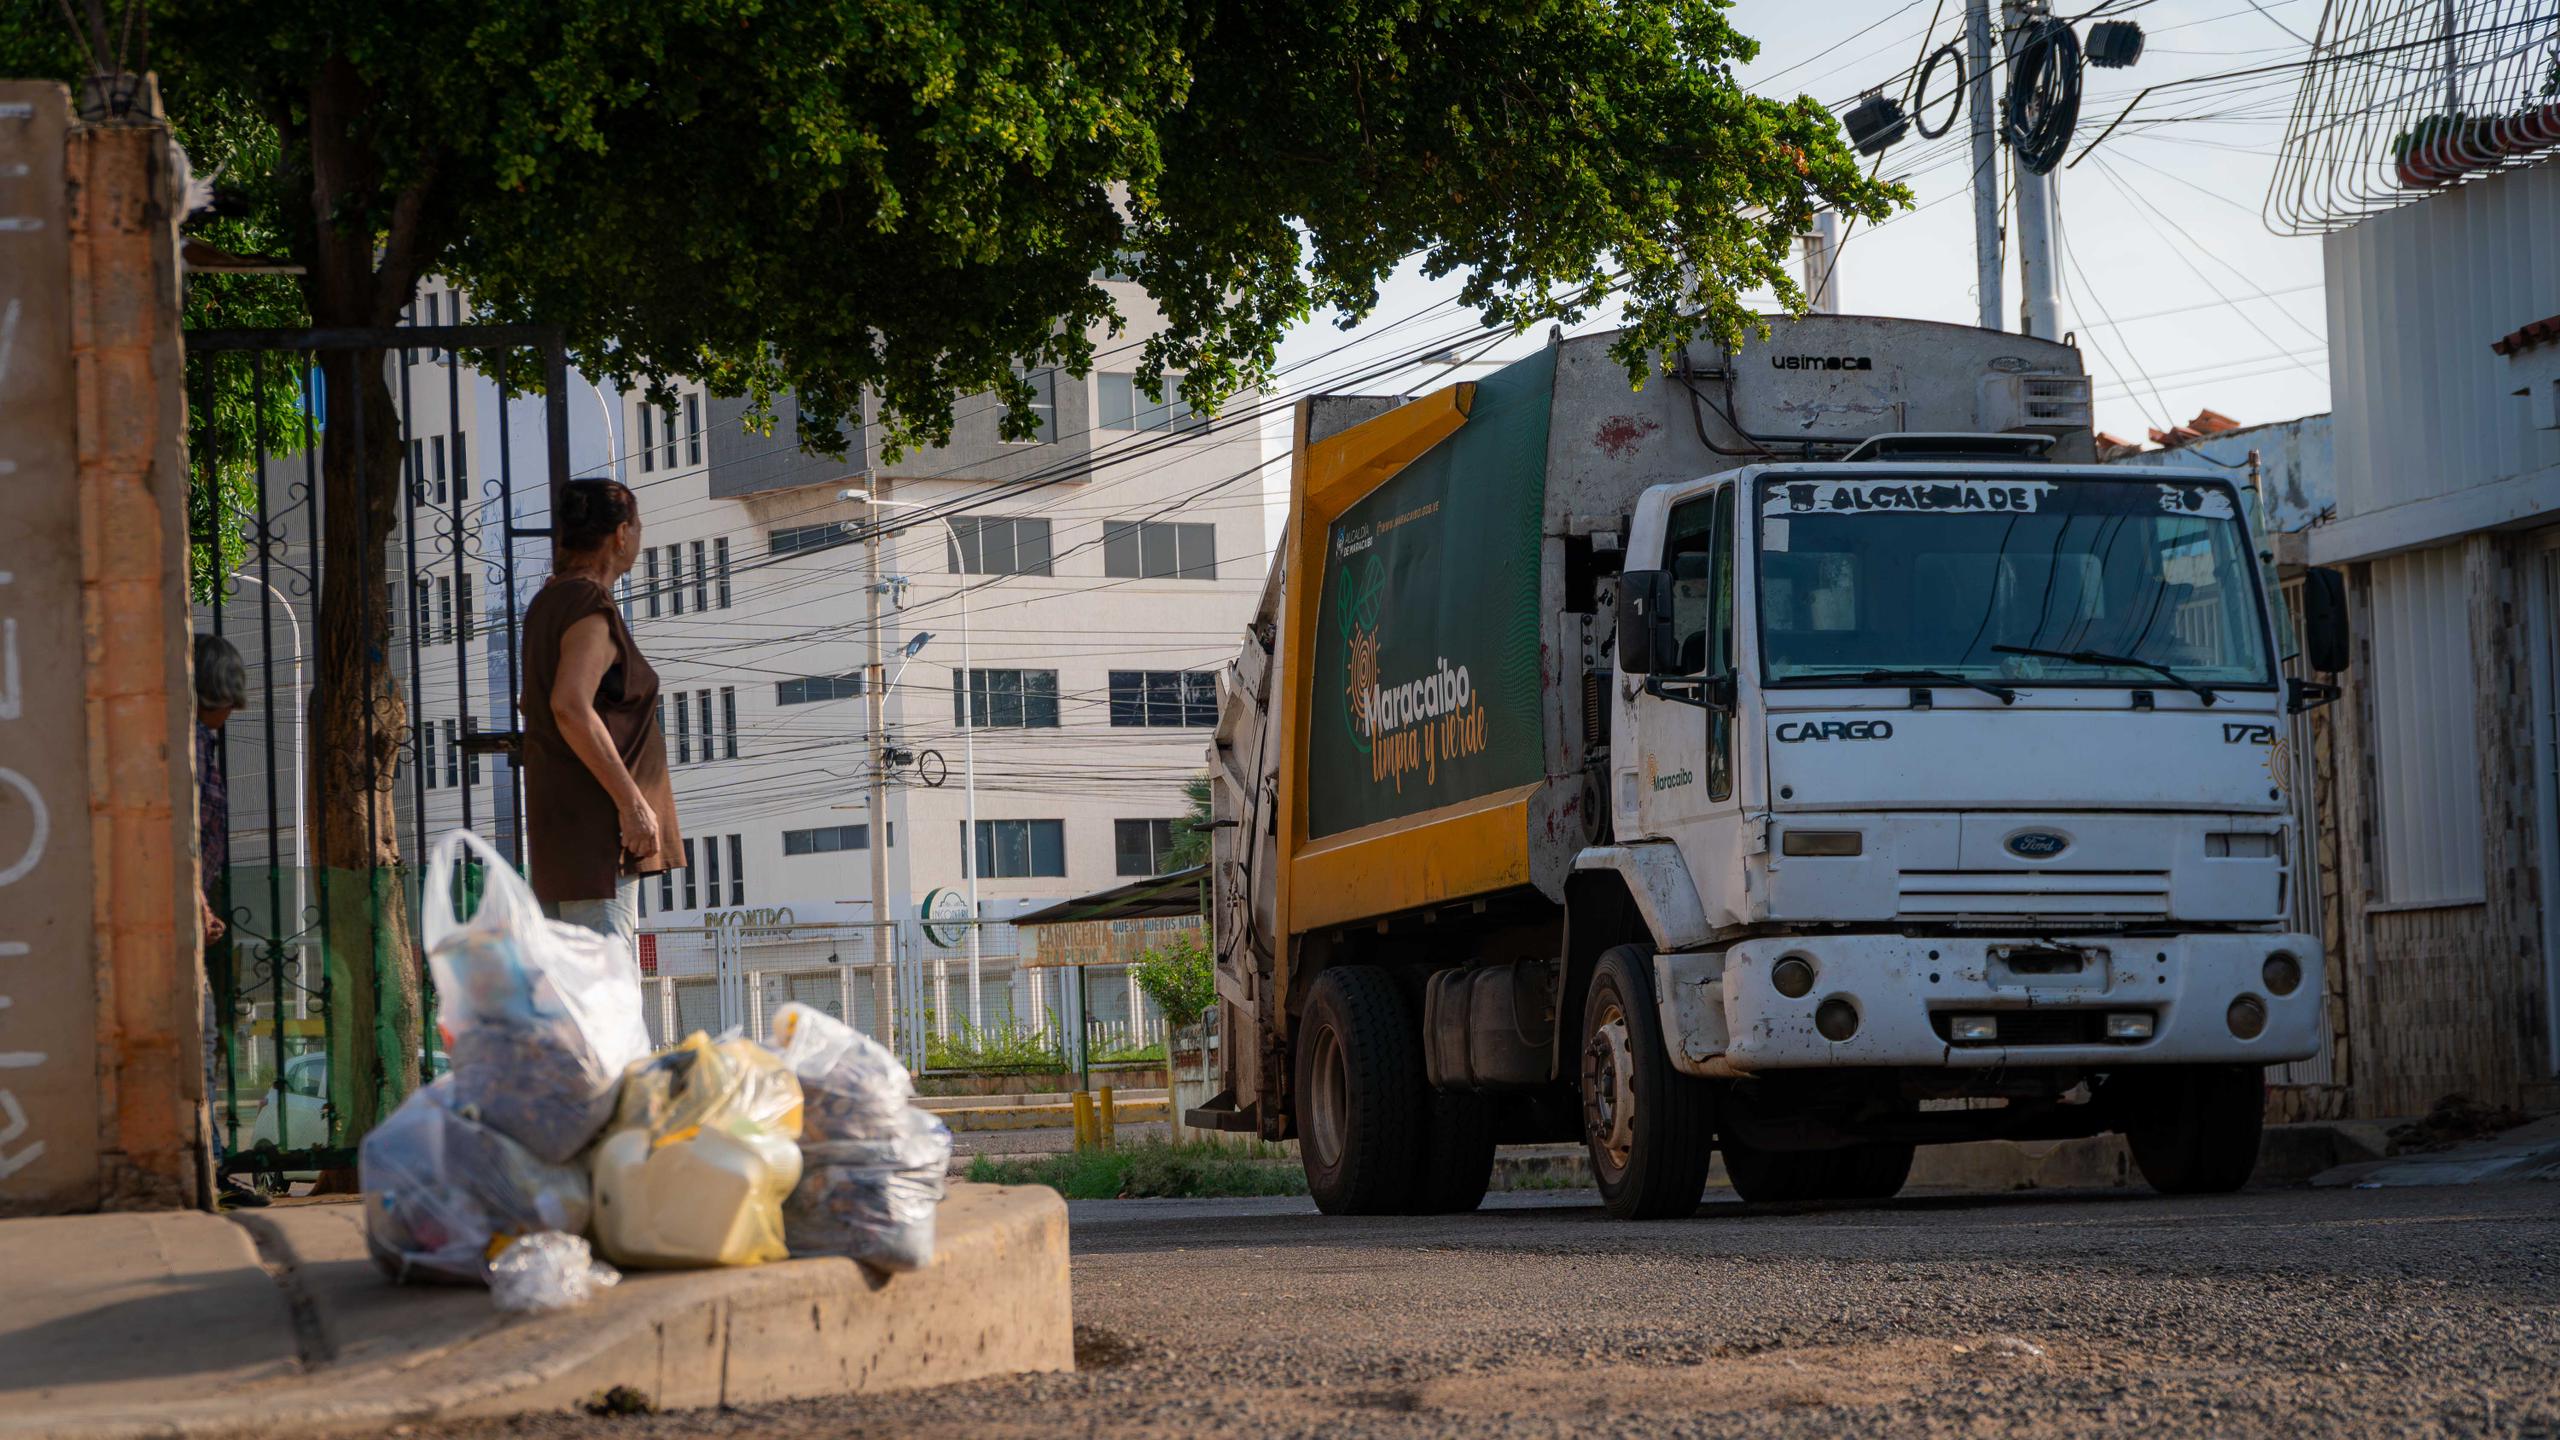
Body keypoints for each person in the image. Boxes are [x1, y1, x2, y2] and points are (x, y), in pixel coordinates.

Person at [520, 478, 681, 953]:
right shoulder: (587, 603)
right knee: (604, 989)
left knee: (572, 988)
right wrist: (632, 805)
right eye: (638, 525)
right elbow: (569, 705)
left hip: (563, 835)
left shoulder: (550, 602)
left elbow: (540, 703)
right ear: (621, 535)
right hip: (599, 843)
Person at [194, 632, 264, 1208]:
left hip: (198, 907)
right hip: (187, 909)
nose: (231, 712)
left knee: (207, 1038)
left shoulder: (203, 742)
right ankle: (207, 1168)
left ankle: (211, 1165)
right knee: (202, 1038)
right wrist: (195, 900)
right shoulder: (189, 745)